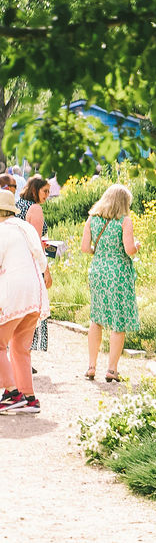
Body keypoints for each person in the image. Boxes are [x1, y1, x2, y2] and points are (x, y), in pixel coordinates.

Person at [79, 182, 140, 382]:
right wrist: (137, 246)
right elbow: (129, 249)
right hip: (118, 273)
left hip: (97, 271)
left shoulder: (92, 219)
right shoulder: (124, 221)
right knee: (117, 320)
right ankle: (112, 369)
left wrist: (102, 252)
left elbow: (85, 249)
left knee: (96, 318)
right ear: (123, 203)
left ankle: (91, 366)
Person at [0, 188, 50, 414]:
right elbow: (41, 260)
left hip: (15, 291)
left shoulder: (2, 231)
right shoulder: (25, 228)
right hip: (35, 291)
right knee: (20, 348)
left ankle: (12, 393)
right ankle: (29, 397)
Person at [16, 174, 51, 353]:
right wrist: (46, 270)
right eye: (45, 191)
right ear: (34, 190)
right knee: (33, 309)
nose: (47, 195)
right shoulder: (35, 209)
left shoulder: (18, 206)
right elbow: (36, 244)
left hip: (15, 261)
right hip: (31, 264)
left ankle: (16, 353)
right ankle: (25, 353)